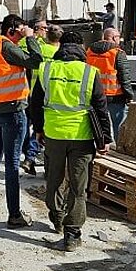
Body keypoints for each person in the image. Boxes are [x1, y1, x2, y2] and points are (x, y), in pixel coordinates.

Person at [31, 41, 114, 251]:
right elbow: (101, 108)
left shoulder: (47, 69)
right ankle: (72, 235)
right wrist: (104, 139)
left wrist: (38, 130)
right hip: (82, 137)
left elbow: (36, 103)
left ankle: (57, 218)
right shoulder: (89, 72)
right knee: (78, 187)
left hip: (54, 135)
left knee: (55, 179)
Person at [0, 15, 43, 226]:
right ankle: (14, 215)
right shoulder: (6, 46)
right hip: (13, 111)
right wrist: (30, 38)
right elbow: (36, 60)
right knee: (12, 163)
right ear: (12, 29)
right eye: (21, 29)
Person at [20, 24, 62, 176]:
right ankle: (32, 157)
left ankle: (27, 155)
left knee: (30, 125)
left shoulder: (38, 49)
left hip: (32, 91)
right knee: (44, 129)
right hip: (50, 94)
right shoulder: (59, 53)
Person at [86, 28, 134, 143]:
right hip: (115, 95)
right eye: (118, 37)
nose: (119, 39)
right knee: (119, 124)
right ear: (113, 38)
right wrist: (129, 95)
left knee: (98, 124)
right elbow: (125, 77)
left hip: (94, 94)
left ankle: (100, 146)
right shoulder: (117, 53)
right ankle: (119, 148)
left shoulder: (89, 51)